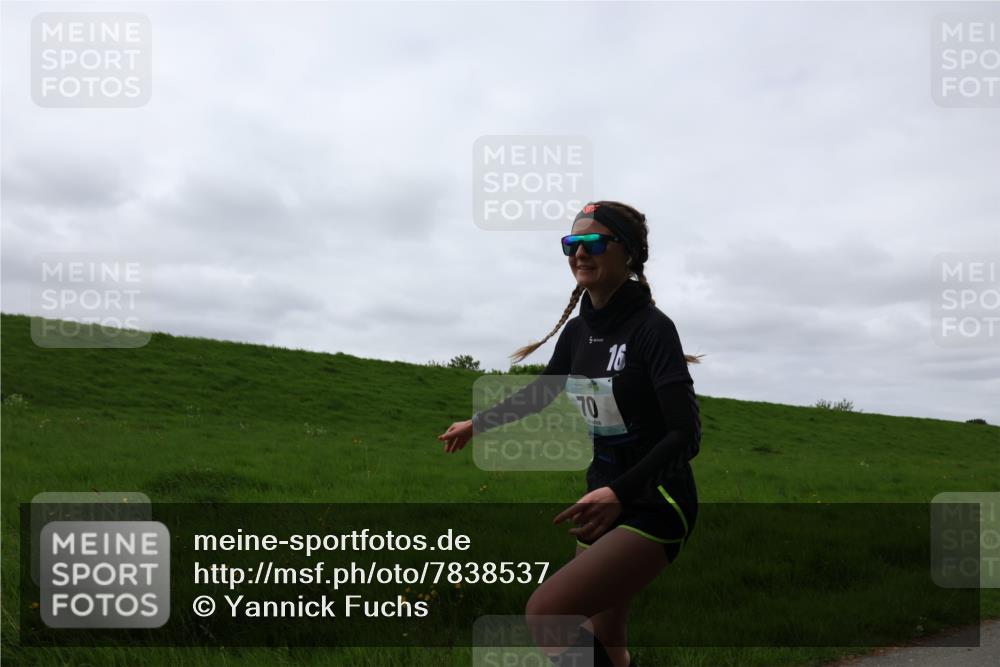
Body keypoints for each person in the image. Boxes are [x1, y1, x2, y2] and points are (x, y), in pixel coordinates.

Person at [437, 201, 703, 667]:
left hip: (655, 501)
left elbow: (686, 434)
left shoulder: (653, 329)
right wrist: (478, 424)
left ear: (628, 252)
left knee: (548, 613)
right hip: (601, 498)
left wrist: (621, 493)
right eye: (571, 244)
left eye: (593, 242)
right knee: (609, 641)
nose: (580, 253)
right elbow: (542, 392)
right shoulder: (578, 332)